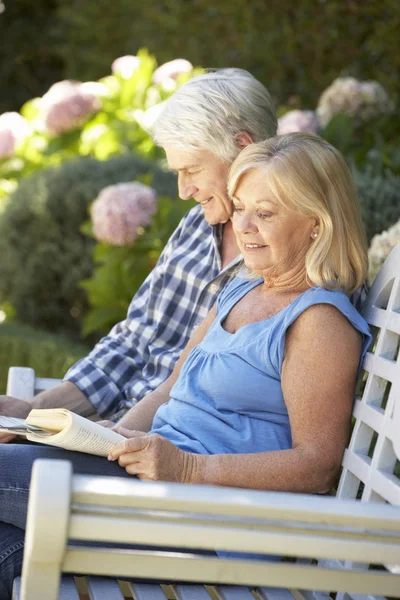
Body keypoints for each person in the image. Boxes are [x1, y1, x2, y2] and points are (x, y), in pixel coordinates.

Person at [0, 133, 371, 597]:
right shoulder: (242, 289)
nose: (245, 226)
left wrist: (191, 470)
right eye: (239, 207)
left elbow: (317, 465)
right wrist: (112, 437)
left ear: (317, 223)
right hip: (157, 487)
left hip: (205, 520)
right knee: (7, 548)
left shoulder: (319, 322)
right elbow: (168, 389)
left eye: (266, 213)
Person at [0, 68, 278, 440]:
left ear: (244, 148)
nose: (183, 190)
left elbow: (219, 402)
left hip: (164, 456)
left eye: (192, 170)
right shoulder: (197, 226)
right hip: (118, 434)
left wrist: (116, 437)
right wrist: (33, 412)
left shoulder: (288, 257)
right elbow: (134, 340)